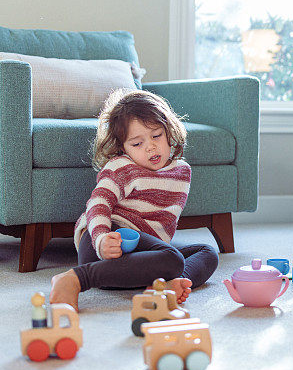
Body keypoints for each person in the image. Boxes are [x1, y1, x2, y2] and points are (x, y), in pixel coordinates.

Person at [49, 90, 219, 311]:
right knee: (173, 259)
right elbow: (97, 205)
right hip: (105, 237)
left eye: (156, 135)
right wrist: (101, 239)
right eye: (137, 144)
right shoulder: (121, 167)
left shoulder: (181, 171)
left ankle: (165, 286)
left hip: (143, 248)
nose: (150, 147)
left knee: (208, 253)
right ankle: (77, 278)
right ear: (123, 148)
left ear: (169, 131)